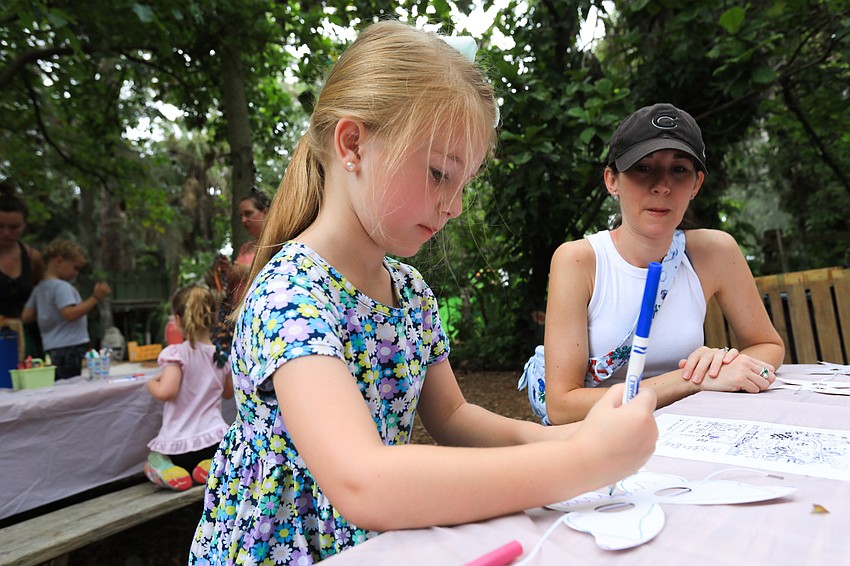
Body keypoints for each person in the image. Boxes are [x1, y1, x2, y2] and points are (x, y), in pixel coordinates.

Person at [189, 21, 658, 565]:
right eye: (439, 174)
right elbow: (363, 481)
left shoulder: (409, 291)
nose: (454, 206)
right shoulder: (291, 294)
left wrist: (577, 442)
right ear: (352, 144)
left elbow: (453, 417)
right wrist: (582, 465)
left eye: (464, 184)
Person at [518, 102, 785, 425]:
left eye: (679, 169)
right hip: (600, 445)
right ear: (611, 180)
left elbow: (767, 346)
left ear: (697, 184)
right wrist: (691, 380)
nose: (662, 186)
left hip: (691, 434)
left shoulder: (715, 252)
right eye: (643, 168)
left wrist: (724, 365)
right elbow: (563, 406)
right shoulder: (579, 260)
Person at [144, 285, 234, 491]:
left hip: (179, 448)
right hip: (214, 441)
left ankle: (163, 468)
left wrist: (151, 384)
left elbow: (167, 391)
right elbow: (228, 393)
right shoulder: (220, 355)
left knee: (150, 460)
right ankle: (210, 465)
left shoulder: (176, 353)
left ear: (178, 320)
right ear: (212, 319)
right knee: (217, 454)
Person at [21, 239, 111, 380]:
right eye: (75, 268)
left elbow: (26, 316)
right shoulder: (62, 287)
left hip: (50, 348)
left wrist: (47, 312)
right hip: (69, 347)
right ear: (59, 261)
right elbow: (69, 314)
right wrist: (95, 297)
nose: (76, 273)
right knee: (69, 386)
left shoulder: (39, 289)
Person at [0, 189, 44, 356]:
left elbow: (44, 296)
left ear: (24, 224)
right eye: (0, 226)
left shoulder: (34, 258)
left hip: (26, 342)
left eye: (14, 227)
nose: (6, 233)